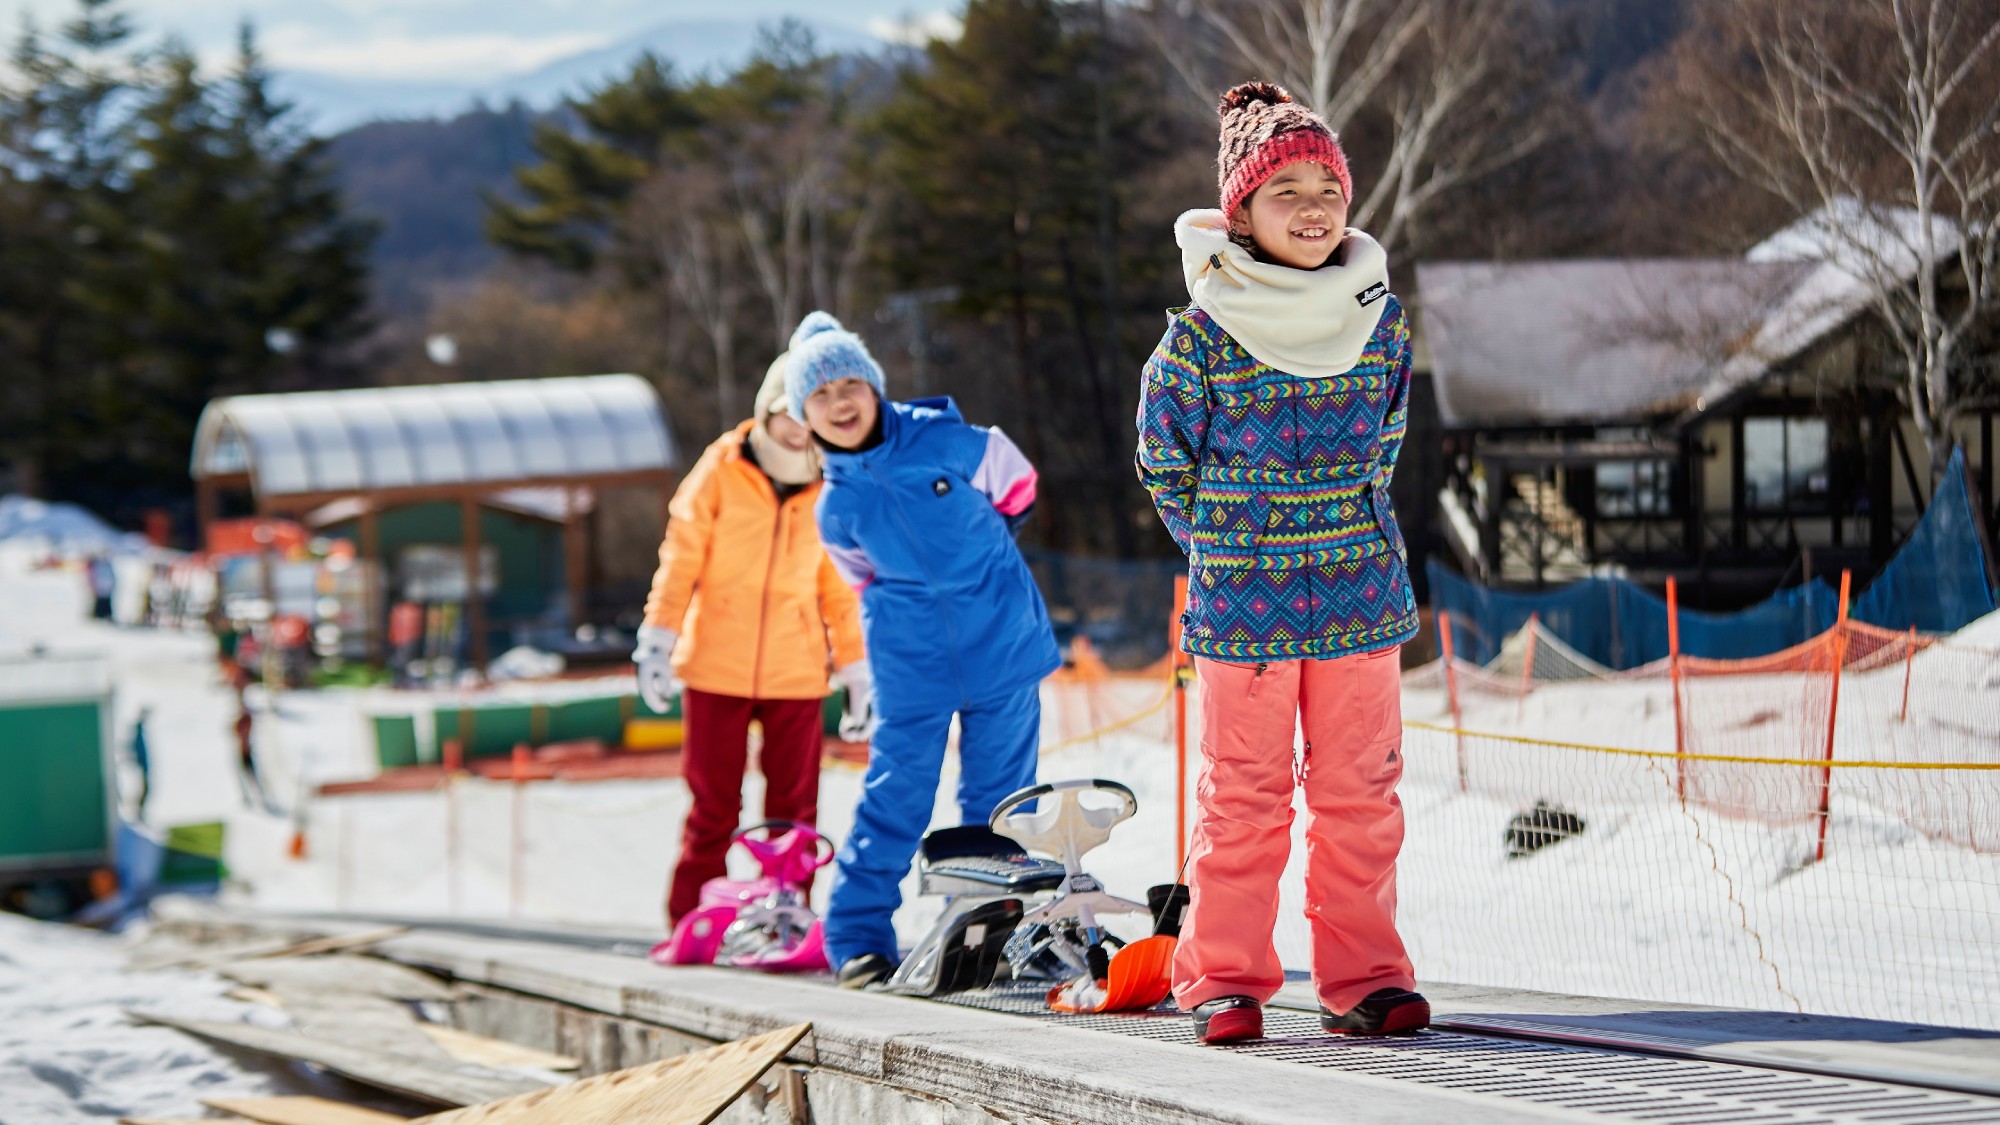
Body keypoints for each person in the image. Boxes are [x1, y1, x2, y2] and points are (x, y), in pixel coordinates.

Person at [1135, 81, 1426, 1044]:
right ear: (1242, 212)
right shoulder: (1201, 336)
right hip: (1243, 607)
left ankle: (1365, 977)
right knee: (1244, 797)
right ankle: (1223, 976)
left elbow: (1386, 443)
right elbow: (1163, 458)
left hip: (1359, 596)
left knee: (1361, 793)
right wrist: (1230, 542)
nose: (1312, 207)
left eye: (1328, 188)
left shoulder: (1378, 322)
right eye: (1285, 189)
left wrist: (1341, 523)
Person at [783, 311, 1061, 988]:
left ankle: (997, 929)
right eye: (819, 395)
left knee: (1002, 799)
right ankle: (857, 935)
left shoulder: (946, 439)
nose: (839, 402)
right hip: (911, 663)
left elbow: (1017, 485)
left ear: (874, 386)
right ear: (804, 415)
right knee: (896, 795)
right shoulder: (834, 507)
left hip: (999, 639)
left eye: (850, 383)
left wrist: (985, 561)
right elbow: (859, 575)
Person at [634, 349, 869, 930]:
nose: (795, 429)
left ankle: (785, 918)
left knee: (794, 812)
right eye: (784, 412)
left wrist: (857, 669)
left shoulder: (830, 483)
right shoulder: (722, 467)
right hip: (716, 665)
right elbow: (681, 556)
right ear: (765, 411)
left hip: (797, 671)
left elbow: (839, 590)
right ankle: (693, 920)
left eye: (803, 415)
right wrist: (659, 635)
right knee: (714, 807)